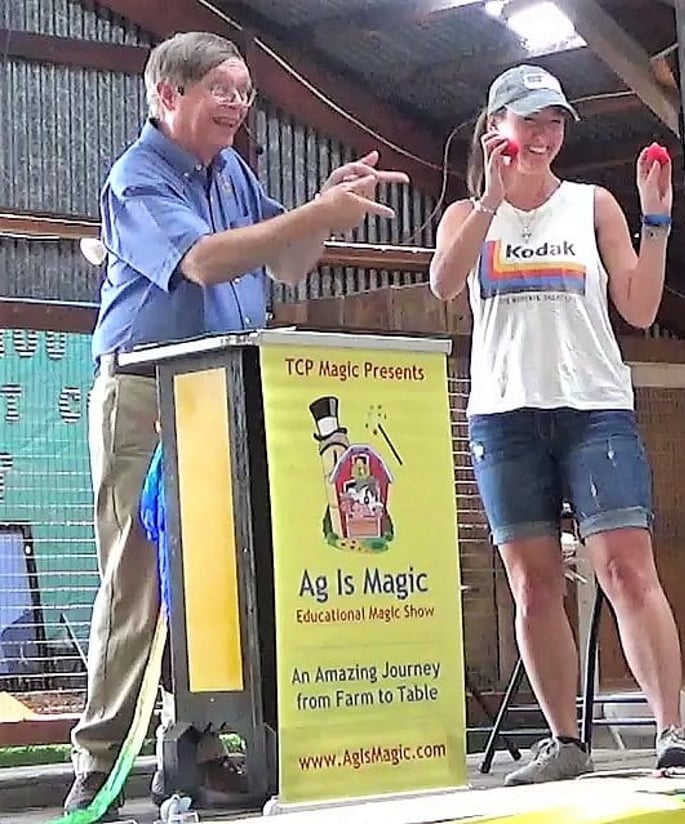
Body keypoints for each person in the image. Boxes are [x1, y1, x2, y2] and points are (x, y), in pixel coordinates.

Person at [64, 30, 409, 817]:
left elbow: (286, 262)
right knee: (140, 579)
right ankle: (99, 759)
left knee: (219, 579)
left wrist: (327, 210)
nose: (238, 104)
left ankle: (194, 748)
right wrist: (312, 213)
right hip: (147, 396)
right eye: (221, 88)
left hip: (225, 393)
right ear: (168, 94)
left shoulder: (234, 173)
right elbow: (204, 261)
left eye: (245, 92)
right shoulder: (138, 177)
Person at [429, 64, 685, 785]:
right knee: (533, 583)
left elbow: (639, 307)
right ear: (496, 128)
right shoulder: (465, 215)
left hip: (594, 408)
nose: (545, 136)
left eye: (554, 123)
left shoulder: (591, 204)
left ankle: (671, 731)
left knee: (626, 567)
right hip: (504, 416)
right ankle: (564, 741)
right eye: (530, 121)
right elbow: (445, 283)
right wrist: (490, 198)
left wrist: (655, 219)